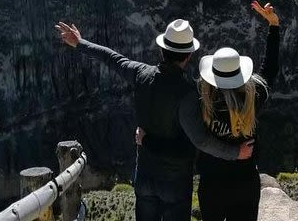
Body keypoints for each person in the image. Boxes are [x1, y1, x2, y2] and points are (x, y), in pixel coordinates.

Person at [55, 19, 253, 221]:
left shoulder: (141, 73)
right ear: (189, 55)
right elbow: (200, 140)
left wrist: (80, 43)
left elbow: (112, 58)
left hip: (145, 175)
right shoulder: (187, 93)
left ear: (162, 50)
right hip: (175, 181)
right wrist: (236, 152)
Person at [139, 1, 280, 221]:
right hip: (245, 182)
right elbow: (270, 68)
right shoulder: (254, 96)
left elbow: (185, 138)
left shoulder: (200, 99)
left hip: (212, 185)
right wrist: (273, 26)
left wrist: (147, 140)